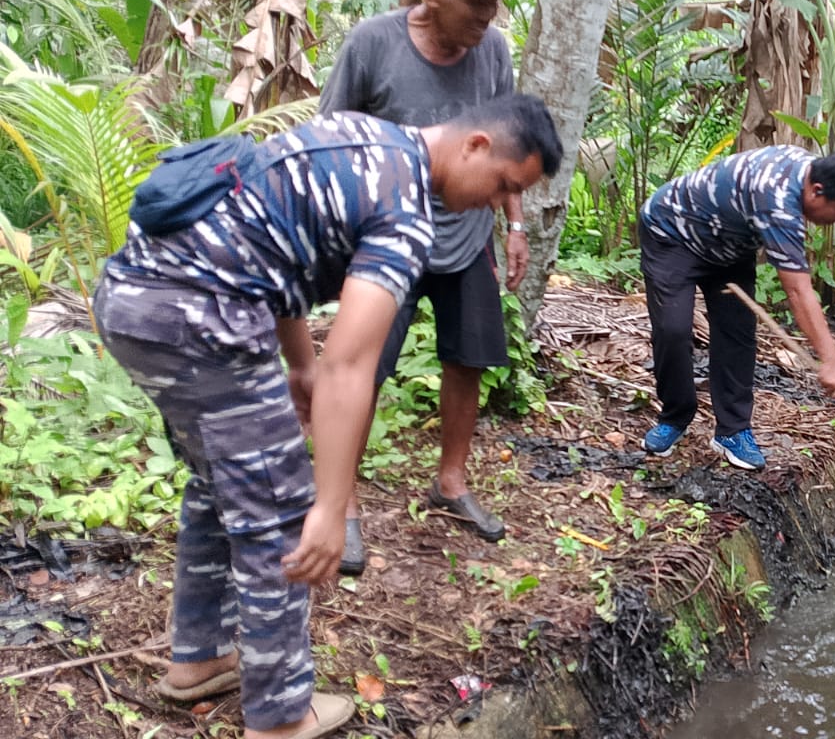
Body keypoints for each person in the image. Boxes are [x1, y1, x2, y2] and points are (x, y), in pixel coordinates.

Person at [94, 97, 562, 739]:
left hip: (134, 298)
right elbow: (350, 367)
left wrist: (298, 364)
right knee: (280, 511)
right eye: (504, 185)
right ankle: (280, 718)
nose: (497, 204)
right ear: (476, 145)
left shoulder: (363, 136)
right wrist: (330, 508)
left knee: (218, 481)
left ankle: (199, 658)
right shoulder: (405, 212)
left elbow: (272, 243)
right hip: (201, 316)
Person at [319, 0, 524, 575]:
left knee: (469, 357)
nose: (489, 15)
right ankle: (342, 501)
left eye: (495, 1)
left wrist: (515, 223)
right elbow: (332, 133)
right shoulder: (373, 45)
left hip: (468, 234)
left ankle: (451, 481)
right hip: (385, 238)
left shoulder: (493, 51)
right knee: (364, 366)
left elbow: (507, 140)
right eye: (476, 2)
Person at [636, 146, 835, 470]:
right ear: (817, 191)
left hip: (730, 245)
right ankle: (674, 418)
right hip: (673, 235)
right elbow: (798, 291)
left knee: (737, 332)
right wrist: (831, 360)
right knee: (673, 330)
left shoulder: (809, 172)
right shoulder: (776, 200)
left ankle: (733, 431)